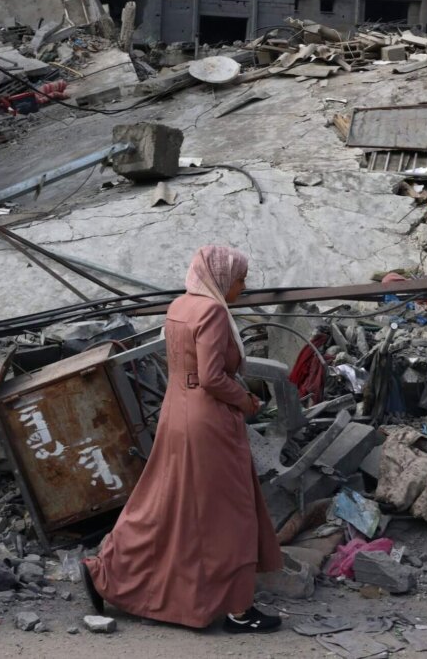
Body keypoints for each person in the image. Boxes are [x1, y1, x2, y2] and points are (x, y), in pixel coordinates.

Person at [81, 245, 284, 633]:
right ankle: (239, 610)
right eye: (240, 277)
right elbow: (211, 376)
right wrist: (246, 401)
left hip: (178, 414)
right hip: (207, 423)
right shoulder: (212, 312)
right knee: (231, 514)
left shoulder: (180, 306)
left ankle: (103, 571)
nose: (244, 285)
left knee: (165, 508)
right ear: (222, 277)